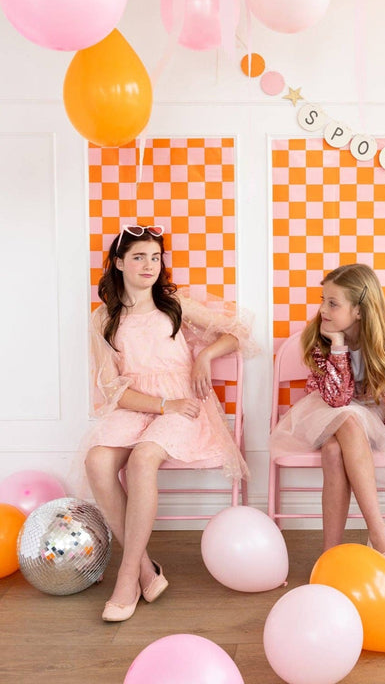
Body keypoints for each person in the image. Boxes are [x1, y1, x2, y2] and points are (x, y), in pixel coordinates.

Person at [83, 224, 256, 622]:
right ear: (120, 263)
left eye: (155, 257)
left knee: (143, 459)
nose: (149, 265)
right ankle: (147, 568)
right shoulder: (103, 318)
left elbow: (237, 332)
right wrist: (160, 403)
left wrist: (204, 355)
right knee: (97, 461)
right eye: (139, 257)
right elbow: (112, 389)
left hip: (184, 406)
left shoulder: (174, 304)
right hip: (141, 404)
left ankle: (128, 577)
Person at [269, 263, 385, 585]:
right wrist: (337, 345)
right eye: (323, 300)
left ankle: (328, 559)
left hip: (372, 421)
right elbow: (336, 400)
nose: (322, 309)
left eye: (333, 303)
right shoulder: (320, 339)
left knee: (335, 451)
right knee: (347, 419)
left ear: (361, 311)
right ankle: (381, 539)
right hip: (323, 414)